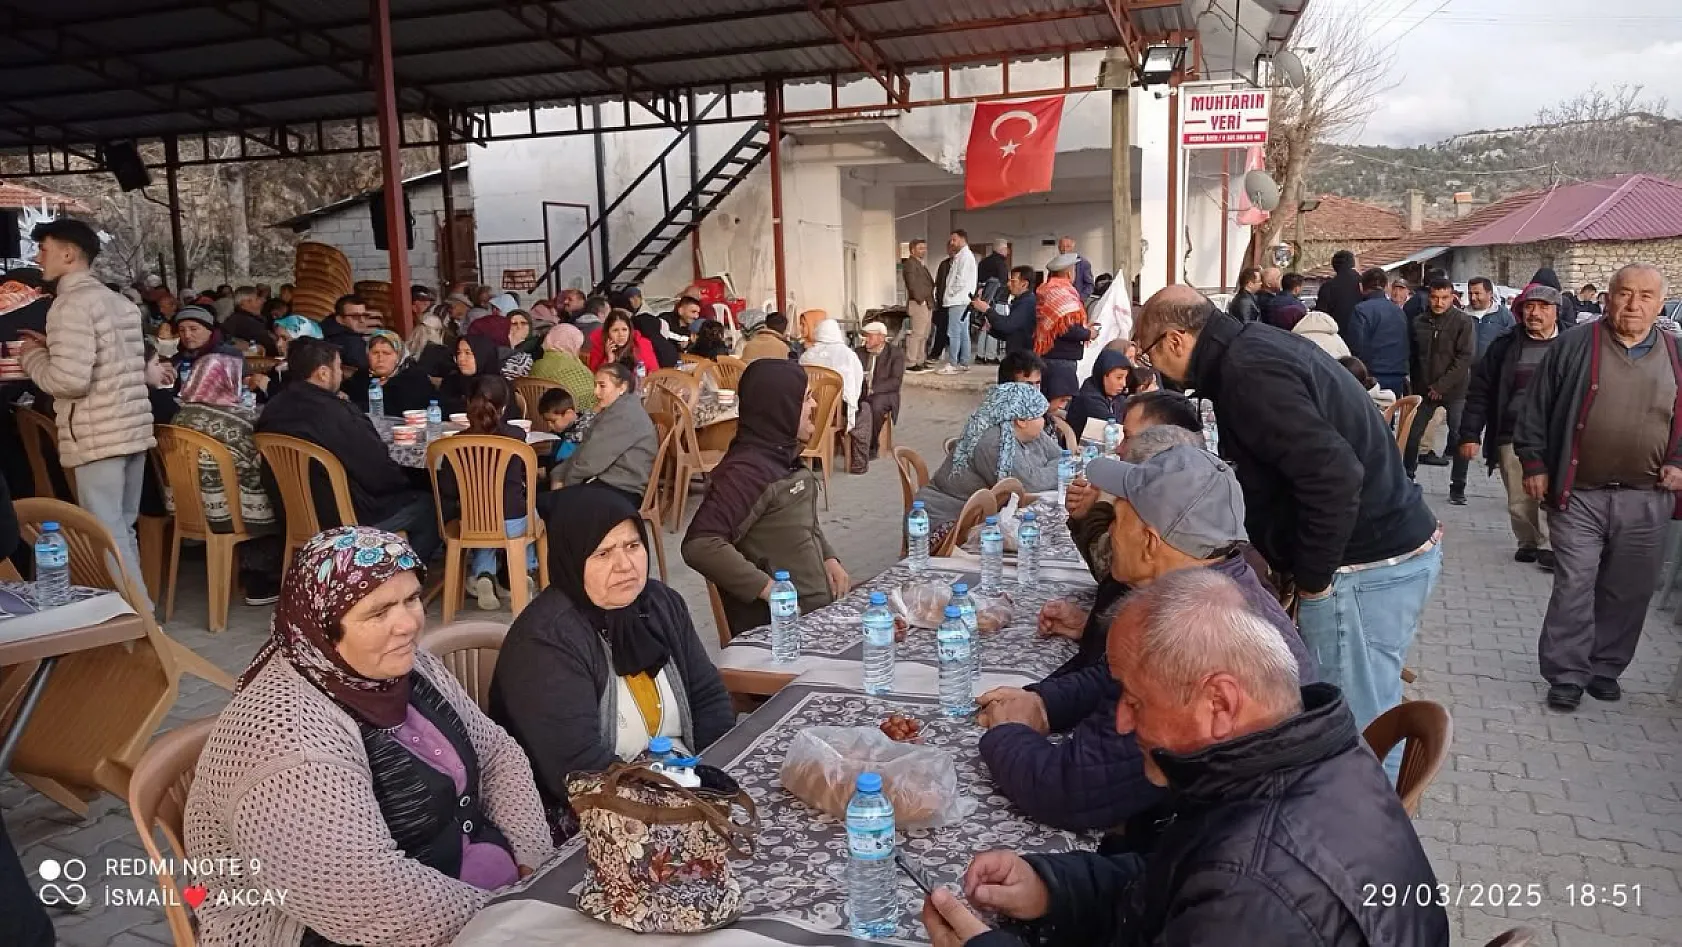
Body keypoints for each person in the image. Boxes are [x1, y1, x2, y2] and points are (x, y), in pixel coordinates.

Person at [922, 572, 1449, 947]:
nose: (1123, 723)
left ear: (1220, 703)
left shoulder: (1257, 887)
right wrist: (1052, 890)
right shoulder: (1300, 757)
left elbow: (1219, 887)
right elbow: (1174, 883)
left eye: (1134, 700)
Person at [184, 527, 554, 944]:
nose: (409, 624)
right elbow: (369, 900)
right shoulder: (288, 742)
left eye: (412, 599)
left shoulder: (399, 668)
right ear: (322, 626)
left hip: (476, 891)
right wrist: (513, 916)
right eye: (378, 612)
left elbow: (497, 755)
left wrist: (533, 862)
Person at [1131, 287, 1440, 766]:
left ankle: (1365, 833)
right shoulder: (1249, 348)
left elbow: (1334, 475)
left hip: (1361, 564)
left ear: (1174, 340)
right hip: (1375, 554)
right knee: (1365, 713)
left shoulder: (1247, 371)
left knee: (1354, 731)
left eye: (1147, 352)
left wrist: (1314, 581)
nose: (1151, 367)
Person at [977, 446, 1314, 832]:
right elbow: (1112, 676)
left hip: (1230, 847)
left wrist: (1008, 731)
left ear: (1151, 542)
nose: (1110, 532)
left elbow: (1072, 791)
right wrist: (1043, 702)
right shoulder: (1225, 585)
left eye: (1117, 519)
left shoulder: (1187, 634)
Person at [490, 486, 734, 840]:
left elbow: (708, 697)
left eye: (633, 546)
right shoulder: (547, 640)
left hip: (683, 785)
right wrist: (678, 802)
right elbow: (580, 770)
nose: (624, 565)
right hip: (593, 816)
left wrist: (713, 777)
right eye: (603, 553)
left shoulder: (661, 604)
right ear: (573, 559)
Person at [1514, 264, 1682, 712]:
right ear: (1606, 297)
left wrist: (1678, 462)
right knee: (1575, 583)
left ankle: (1605, 667)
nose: (1633, 304)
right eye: (1624, 293)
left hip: (1647, 496)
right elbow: (1535, 409)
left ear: (1661, 303)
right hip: (1580, 492)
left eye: (1645, 296)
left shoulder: (1677, 354)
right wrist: (1534, 462)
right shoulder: (1573, 346)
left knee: (1628, 589)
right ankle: (1566, 673)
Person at [15, 218, 156, 603]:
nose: (39, 257)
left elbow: (69, 381)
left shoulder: (69, 305)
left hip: (97, 433)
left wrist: (32, 357)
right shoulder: (120, 303)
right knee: (122, 528)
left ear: (68, 254)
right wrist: (52, 346)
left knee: (106, 533)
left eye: (44, 249)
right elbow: (112, 360)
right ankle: (142, 615)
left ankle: (139, 624)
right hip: (131, 429)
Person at [682, 359, 849, 638]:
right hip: (781, 631)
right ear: (781, 408)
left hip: (816, 614)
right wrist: (771, 590)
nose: (814, 406)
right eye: (807, 399)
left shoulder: (783, 455)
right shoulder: (745, 473)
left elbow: (800, 524)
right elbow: (700, 545)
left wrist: (829, 558)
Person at [255, 339, 442, 559]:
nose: (341, 375)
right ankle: (396, 578)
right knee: (429, 505)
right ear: (324, 373)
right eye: (338, 367)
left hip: (292, 513)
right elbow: (377, 471)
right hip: (345, 516)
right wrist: (406, 482)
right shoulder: (337, 413)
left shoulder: (274, 407)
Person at [1457, 284, 1562, 570]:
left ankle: (1549, 544)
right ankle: (1528, 540)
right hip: (1512, 431)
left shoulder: (1571, 344)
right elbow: (1480, 392)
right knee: (1519, 494)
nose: (1535, 313)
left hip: (1557, 433)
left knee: (1553, 491)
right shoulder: (1505, 346)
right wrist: (1469, 434)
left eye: (1543, 307)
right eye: (1529, 307)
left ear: (1557, 312)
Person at [168, 352, 285, 603]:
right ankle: (261, 577)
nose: (242, 384)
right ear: (225, 380)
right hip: (224, 512)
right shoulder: (239, 421)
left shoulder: (180, 417)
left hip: (187, 507)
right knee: (280, 487)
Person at [437, 375, 542, 611]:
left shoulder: (456, 442)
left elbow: (448, 489)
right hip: (513, 519)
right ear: (504, 407)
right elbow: (525, 478)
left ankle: (484, 575)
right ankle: (522, 570)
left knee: (482, 520)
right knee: (531, 511)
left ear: (469, 404)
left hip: (474, 521)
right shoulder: (516, 436)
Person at [913, 383, 1060, 547]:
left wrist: (1043, 470)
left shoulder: (1032, 433)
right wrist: (1049, 469)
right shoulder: (994, 443)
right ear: (1021, 420)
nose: (1044, 421)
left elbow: (1061, 458)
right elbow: (1030, 484)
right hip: (947, 519)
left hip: (978, 516)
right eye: (1040, 416)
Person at [1403, 277, 1477, 504]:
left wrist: (1441, 386)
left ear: (1452, 297)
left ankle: (1458, 486)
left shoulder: (1463, 321)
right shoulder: (1418, 322)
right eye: (1435, 297)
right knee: (1413, 435)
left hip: (1455, 390)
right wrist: (1418, 385)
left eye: (1444, 298)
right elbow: (1414, 357)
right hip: (1424, 390)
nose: (1439, 302)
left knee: (1459, 437)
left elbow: (1465, 358)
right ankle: (1407, 479)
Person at [554, 362, 657, 503]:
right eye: (595, 386)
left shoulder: (624, 415)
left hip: (622, 489)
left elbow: (590, 460)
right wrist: (558, 475)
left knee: (542, 503)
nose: (595, 392)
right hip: (606, 480)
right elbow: (584, 448)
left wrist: (565, 486)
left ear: (622, 388)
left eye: (602, 386)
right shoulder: (614, 409)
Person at [800, 317, 867, 458]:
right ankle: (858, 461)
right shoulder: (847, 355)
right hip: (836, 412)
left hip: (810, 411)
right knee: (865, 411)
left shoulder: (807, 355)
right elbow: (856, 382)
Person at [1347, 266, 1410, 397]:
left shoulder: (1361, 310)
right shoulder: (1399, 311)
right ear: (1386, 286)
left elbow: (1357, 346)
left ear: (1361, 287)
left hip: (1371, 376)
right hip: (1397, 374)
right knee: (1390, 413)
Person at [1034, 254, 1091, 376]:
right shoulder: (1063, 293)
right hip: (1062, 358)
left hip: (1049, 354)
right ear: (1069, 273)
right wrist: (1089, 333)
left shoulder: (1046, 289)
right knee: (1062, 395)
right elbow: (1067, 329)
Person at [854, 321, 904, 460]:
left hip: (885, 394)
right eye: (864, 337)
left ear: (881, 338)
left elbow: (895, 381)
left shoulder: (895, 353)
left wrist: (873, 389)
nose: (866, 340)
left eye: (869, 336)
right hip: (861, 392)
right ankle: (852, 443)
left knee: (875, 406)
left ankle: (871, 445)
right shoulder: (858, 352)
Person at [438, 335, 518, 420]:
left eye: (467, 353)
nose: (461, 358)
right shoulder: (451, 381)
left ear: (482, 355)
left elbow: (508, 420)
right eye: (458, 353)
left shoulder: (499, 386)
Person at [530, 322, 598, 411]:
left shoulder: (536, 365)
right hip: (571, 419)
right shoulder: (578, 370)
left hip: (539, 416)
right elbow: (591, 397)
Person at [1066, 348, 1131, 438]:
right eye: (1119, 378)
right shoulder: (1089, 399)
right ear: (1103, 375)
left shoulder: (1117, 396)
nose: (1124, 384)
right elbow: (1116, 429)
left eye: (1125, 378)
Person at [939, 229, 978, 374]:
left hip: (957, 300)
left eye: (954, 239)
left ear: (962, 239)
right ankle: (964, 362)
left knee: (954, 332)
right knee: (963, 332)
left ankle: (953, 363)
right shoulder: (962, 256)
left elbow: (960, 280)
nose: (952, 242)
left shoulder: (965, 257)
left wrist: (949, 293)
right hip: (962, 299)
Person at [171, 304, 237, 389]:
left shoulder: (230, 355)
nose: (187, 335)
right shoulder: (177, 360)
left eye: (193, 329)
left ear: (209, 331)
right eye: (182, 330)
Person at [979, 265, 1038, 356]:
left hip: (1023, 357)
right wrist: (991, 328)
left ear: (1024, 284)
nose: (1008, 284)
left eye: (1013, 281)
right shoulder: (1021, 301)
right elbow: (1010, 333)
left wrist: (987, 310)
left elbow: (1007, 326)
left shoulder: (1027, 302)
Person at [588, 309, 659, 376]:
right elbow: (597, 377)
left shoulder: (641, 344)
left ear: (630, 331)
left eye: (624, 329)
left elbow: (654, 372)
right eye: (615, 330)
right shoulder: (599, 346)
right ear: (608, 333)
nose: (621, 334)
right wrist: (609, 360)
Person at [903, 238, 937, 371]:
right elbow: (911, 283)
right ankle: (911, 362)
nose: (924, 251)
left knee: (924, 334)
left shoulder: (920, 264)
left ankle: (920, 359)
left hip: (927, 302)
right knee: (917, 334)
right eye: (920, 248)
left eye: (924, 248)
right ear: (912, 250)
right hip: (919, 303)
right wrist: (920, 299)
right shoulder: (910, 264)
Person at [1314, 248, 1362, 338]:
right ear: (1353, 264)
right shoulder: (1364, 283)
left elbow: (1321, 316)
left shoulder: (1327, 287)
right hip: (1361, 335)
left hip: (1335, 336)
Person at [320, 293, 373, 373]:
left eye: (365, 315)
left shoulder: (324, 331)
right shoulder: (352, 342)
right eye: (355, 316)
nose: (362, 320)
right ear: (340, 319)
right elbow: (366, 371)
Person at [1466, 276, 1515, 360]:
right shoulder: (1462, 315)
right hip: (1467, 370)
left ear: (1490, 294)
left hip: (1494, 369)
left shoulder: (1504, 315)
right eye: (1470, 293)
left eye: (1477, 293)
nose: (1473, 298)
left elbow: (1513, 343)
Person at [223, 287, 278, 356]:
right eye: (257, 299)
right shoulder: (246, 322)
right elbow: (271, 347)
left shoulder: (238, 318)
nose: (263, 300)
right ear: (245, 303)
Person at [1057, 235, 1095, 300]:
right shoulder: (1055, 264)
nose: (1065, 249)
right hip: (1060, 301)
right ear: (1058, 248)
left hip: (1077, 301)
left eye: (1068, 246)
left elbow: (1090, 285)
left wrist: (1080, 299)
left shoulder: (1083, 263)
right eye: (1062, 247)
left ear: (1072, 247)